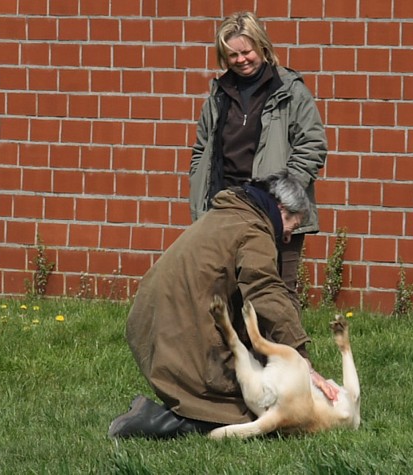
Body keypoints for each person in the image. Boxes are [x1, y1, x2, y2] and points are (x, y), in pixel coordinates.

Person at [108, 171, 338, 439]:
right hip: (179, 324)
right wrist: (301, 358)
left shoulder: (233, 213)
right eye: (290, 224)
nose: (287, 237)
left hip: (156, 315)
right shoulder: (254, 229)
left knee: (250, 395)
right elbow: (266, 292)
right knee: (245, 416)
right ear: (280, 207)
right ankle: (147, 420)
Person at [190, 11, 328, 313]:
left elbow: (312, 145)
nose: (240, 60)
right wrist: (201, 196)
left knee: (276, 293)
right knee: (227, 293)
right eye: (232, 55)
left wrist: (282, 201)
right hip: (226, 210)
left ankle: (292, 359)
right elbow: (201, 150)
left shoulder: (291, 91)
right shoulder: (218, 95)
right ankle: (235, 359)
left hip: (276, 211)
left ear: (262, 47)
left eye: (246, 51)